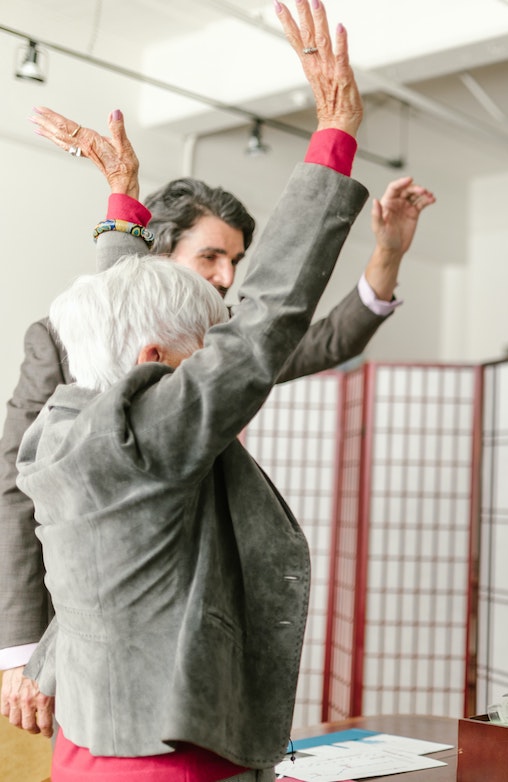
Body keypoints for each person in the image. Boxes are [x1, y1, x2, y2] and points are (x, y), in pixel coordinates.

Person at [0, 62, 435, 739]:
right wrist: (22, 653)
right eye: (211, 260)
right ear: (162, 255)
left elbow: (135, 333)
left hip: (125, 679)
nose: (229, 280)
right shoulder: (104, 357)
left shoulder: (109, 377)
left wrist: (121, 201)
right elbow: (259, 322)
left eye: (237, 262)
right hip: (122, 673)